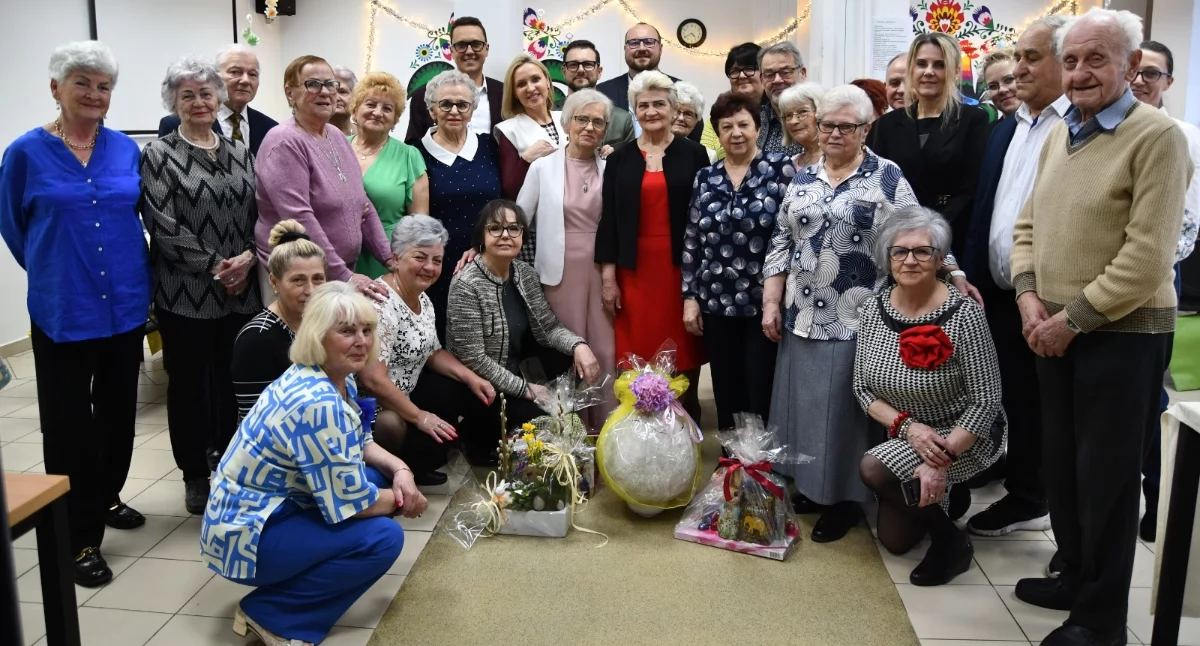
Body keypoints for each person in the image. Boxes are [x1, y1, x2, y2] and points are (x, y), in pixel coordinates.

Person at [1009, 10, 1191, 645]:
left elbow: (1148, 258)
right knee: (1062, 467)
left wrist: (1072, 320)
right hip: (1052, 328)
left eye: (1097, 59)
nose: (1080, 72)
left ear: (1131, 66)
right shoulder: (1062, 131)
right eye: (1071, 60)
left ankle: (1101, 618)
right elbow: (1027, 225)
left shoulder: (1157, 137)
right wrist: (1028, 297)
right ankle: (1075, 574)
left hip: (1122, 335)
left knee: (1107, 479)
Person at [763, 84, 979, 542]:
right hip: (801, 312)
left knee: (844, 413)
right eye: (828, 125)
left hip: (857, 316)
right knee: (803, 407)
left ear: (866, 129)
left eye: (847, 126)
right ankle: (812, 485)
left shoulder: (885, 176)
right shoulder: (803, 176)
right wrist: (770, 300)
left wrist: (954, 272)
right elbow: (781, 239)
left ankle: (843, 500)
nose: (834, 134)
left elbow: (919, 229)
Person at [0, 40, 149, 587]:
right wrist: (56, 270)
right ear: (56, 88)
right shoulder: (24, 152)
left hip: (125, 305)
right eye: (81, 82)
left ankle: (105, 496)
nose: (94, 93)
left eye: (103, 85)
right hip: (63, 309)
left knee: (117, 416)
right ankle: (77, 536)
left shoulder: (125, 149)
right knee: (68, 427)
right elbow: (15, 228)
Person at [202, 282, 427, 646]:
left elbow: (360, 442)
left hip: (264, 511)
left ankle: (290, 593)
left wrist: (402, 471)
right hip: (244, 536)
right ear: (318, 336)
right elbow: (355, 503)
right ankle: (273, 615)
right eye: (347, 331)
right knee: (383, 538)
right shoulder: (317, 403)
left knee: (375, 476)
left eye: (367, 330)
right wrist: (405, 500)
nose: (361, 341)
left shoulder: (332, 377)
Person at [857, 206, 1006, 586]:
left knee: (873, 468)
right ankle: (950, 498)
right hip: (909, 432)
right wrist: (910, 429)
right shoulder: (873, 307)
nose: (910, 260)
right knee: (895, 542)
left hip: (963, 433)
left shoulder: (965, 315)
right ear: (887, 258)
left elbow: (987, 401)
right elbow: (862, 388)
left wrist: (941, 461)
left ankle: (952, 544)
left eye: (922, 251)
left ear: (940, 260)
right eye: (899, 251)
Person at [961, 16, 1068, 539]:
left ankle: (1034, 495)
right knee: (1011, 395)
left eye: (1031, 58)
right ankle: (1016, 475)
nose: (1018, 69)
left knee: (1047, 407)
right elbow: (989, 207)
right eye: (1016, 57)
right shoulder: (1008, 127)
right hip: (999, 291)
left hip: (1050, 298)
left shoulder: (1075, 126)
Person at [141, 56, 261, 514]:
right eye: (187, 95)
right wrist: (217, 266)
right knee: (189, 388)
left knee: (234, 385)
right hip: (185, 293)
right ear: (173, 102)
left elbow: (259, 214)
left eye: (206, 93)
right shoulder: (158, 154)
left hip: (241, 290)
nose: (198, 102)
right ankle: (194, 474)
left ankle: (232, 466)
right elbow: (163, 224)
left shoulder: (239, 151)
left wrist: (247, 258)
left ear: (219, 98)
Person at [596, 71, 711, 421]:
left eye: (659, 103)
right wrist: (608, 278)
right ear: (634, 110)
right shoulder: (619, 159)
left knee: (683, 349)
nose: (651, 111)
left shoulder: (695, 155)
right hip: (634, 272)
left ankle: (684, 423)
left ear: (674, 108)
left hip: (680, 270)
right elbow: (609, 220)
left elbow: (703, 219)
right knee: (637, 349)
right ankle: (638, 425)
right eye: (643, 105)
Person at [682, 92, 794, 431]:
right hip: (716, 301)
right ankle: (730, 457)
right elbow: (692, 239)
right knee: (725, 386)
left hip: (765, 301)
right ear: (717, 132)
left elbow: (791, 235)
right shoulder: (706, 177)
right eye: (726, 126)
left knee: (760, 386)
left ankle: (760, 458)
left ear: (757, 128)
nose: (736, 133)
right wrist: (690, 297)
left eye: (744, 124)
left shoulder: (781, 169)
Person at [448, 200, 601, 443]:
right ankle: (477, 438)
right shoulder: (466, 284)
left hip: (518, 370)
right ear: (481, 236)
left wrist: (579, 345)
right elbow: (473, 359)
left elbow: (548, 327)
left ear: (522, 236)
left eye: (513, 228)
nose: (505, 235)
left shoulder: (524, 273)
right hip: (482, 385)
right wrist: (526, 389)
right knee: (540, 424)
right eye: (495, 228)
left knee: (571, 363)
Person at [358, 215, 497, 476]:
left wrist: (472, 378)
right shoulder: (381, 303)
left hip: (406, 398)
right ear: (396, 258)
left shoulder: (422, 297)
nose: (429, 267)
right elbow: (372, 380)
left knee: (459, 394)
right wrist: (420, 417)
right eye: (420, 257)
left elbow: (432, 352)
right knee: (408, 435)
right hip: (375, 410)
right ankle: (390, 472)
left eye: (437, 260)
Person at [1131, 38, 1200, 543]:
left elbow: (1187, 225)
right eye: (1134, 70)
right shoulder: (1098, 129)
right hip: (1101, 283)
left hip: (1154, 281)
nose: (1140, 80)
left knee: (1148, 396)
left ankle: (1158, 500)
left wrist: (1134, 269)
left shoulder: (1184, 137)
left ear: (1169, 82)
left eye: (1151, 73)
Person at [516, 89, 617, 430]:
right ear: (566, 123)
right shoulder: (542, 168)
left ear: (605, 130)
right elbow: (519, 220)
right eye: (582, 119)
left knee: (604, 349)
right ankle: (570, 434)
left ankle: (605, 431)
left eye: (598, 122)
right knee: (568, 351)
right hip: (558, 273)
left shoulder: (611, 169)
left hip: (603, 270)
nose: (589, 127)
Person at [254, 55, 391, 304]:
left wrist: (389, 258)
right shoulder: (284, 141)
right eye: (313, 84)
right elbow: (298, 217)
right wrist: (345, 276)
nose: (325, 92)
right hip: (299, 278)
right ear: (290, 93)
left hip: (336, 273)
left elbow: (363, 203)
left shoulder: (336, 136)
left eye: (330, 84)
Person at [867, 33, 990, 256]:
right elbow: (874, 185)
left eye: (939, 65)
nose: (929, 72)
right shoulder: (886, 125)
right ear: (911, 70)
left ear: (954, 72)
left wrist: (931, 233)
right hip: (896, 240)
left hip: (951, 239)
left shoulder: (973, 120)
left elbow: (971, 189)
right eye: (921, 64)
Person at [414, 70, 503, 338]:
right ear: (432, 110)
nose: (454, 111)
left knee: (492, 337)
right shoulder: (415, 152)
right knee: (445, 337)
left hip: (489, 259)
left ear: (472, 110)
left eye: (462, 104)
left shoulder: (490, 145)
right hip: (440, 265)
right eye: (445, 104)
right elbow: (418, 222)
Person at [232, 220, 326, 423]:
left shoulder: (325, 324)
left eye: (318, 278)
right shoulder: (256, 338)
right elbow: (256, 421)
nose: (310, 290)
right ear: (274, 282)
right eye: (298, 280)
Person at [349, 71, 430, 279]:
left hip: (388, 259)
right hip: (339, 256)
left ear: (395, 120)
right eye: (370, 104)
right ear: (355, 110)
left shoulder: (409, 156)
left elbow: (419, 224)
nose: (378, 113)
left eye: (387, 108)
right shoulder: (336, 147)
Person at [157, 44, 278, 155]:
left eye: (252, 74)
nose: (245, 80)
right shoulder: (174, 125)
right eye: (235, 72)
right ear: (216, 77)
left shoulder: (271, 128)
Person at [595, 23, 703, 140]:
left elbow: (695, 139)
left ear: (660, 48)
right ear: (625, 49)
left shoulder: (681, 90)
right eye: (634, 43)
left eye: (649, 42)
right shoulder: (602, 93)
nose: (642, 48)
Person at [404, 16, 504, 144]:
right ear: (451, 51)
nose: (469, 51)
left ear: (486, 49)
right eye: (461, 45)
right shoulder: (424, 96)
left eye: (476, 44)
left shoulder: (505, 94)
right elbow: (412, 146)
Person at [495, 55, 565, 202]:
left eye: (535, 79)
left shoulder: (567, 119)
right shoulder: (509, 131)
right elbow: (509, 191)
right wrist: (526, 160)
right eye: (521, 84)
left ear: (547, 81)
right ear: (515, 93)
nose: (530, 88)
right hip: (537, 212)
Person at [559, 40, 634, 147]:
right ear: (563, 71)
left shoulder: (622, 120)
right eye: (573, 65)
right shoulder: (549, 113)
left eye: (588, 64)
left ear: (599, 71)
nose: (580, 70)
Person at [757, 42, 808, 156]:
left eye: (785, 72)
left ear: (802, 73)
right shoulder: (755, 121)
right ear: (761, 80)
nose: (777, 80)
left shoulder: (821, 118)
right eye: (769, 75)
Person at [777, 83, 824, 168]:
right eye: (788, 115)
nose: (793, 121)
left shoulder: (834, 160)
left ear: (821, 113)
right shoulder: (791, 163)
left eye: (803, 112)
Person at [672, 82, 717, 163]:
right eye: (676, 111)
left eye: (688, 114)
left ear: (697, 120)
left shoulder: (708, 155)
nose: (681, 118)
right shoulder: (649, 146)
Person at [982, 50, 1020, 119]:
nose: (1002, 90)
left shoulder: (1041, 121)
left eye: (1009, 80)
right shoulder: (995, 127)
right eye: (993, 86)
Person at [331, 65, 358, 136]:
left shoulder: (363, 134)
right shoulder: (312, 132)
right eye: (332, 91)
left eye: (342, 92)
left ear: (355, 97)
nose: (336, 98)